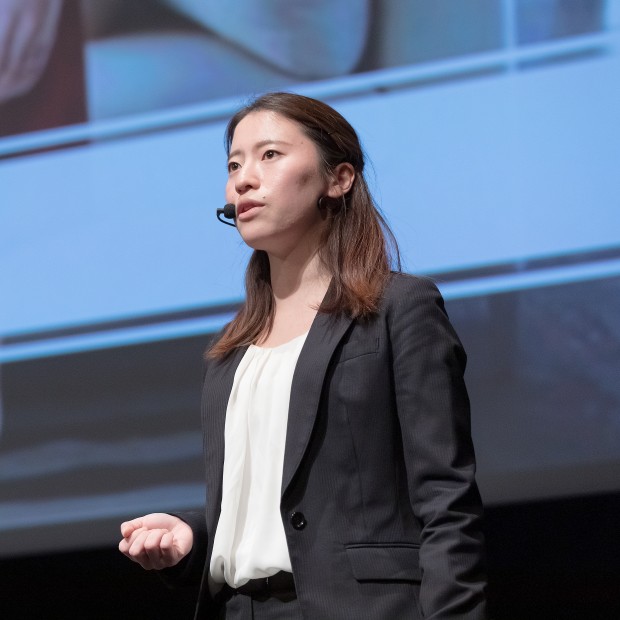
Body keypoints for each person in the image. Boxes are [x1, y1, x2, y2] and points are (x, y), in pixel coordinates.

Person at [119, 92, 487, 619]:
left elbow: (446, 502)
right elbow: (277, 506)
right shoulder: (232, 350)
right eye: (234, 164)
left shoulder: (398, 308)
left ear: (338, 179)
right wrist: (196, 538)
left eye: (269, 155)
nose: (244, 178)